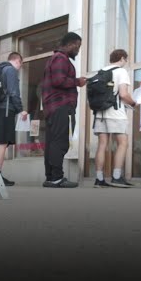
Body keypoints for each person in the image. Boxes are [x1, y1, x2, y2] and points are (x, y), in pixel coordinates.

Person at [41, 32, 87, 188]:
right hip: (61, 106)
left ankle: (51, 178)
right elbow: (59, 80)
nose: (78, 50)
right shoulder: (61, 59)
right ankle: (57, 177)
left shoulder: (54, 59)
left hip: (52, 107)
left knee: (52, 142)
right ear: (72, 44)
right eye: (78, 46)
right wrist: (77, 81)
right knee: (60, 142)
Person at [93, 49, 137, 188]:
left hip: (100, 113)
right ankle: (117, 177)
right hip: (116, 113)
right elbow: (123, 94)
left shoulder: (101, 71)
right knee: (123, 143)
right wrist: (134, 102)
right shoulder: (121, 71)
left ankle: (99, 179)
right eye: (126, 60)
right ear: (122, 58)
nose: (126, 62)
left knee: (102, 144)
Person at [0, 52, 28, 187]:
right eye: (20, 64)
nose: (20, 68)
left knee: (0, 142)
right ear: (17, 61)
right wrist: (20, 109)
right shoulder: (10, 70)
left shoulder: (0, 69)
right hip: (5, 110)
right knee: (2, 143)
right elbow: (13, 91)